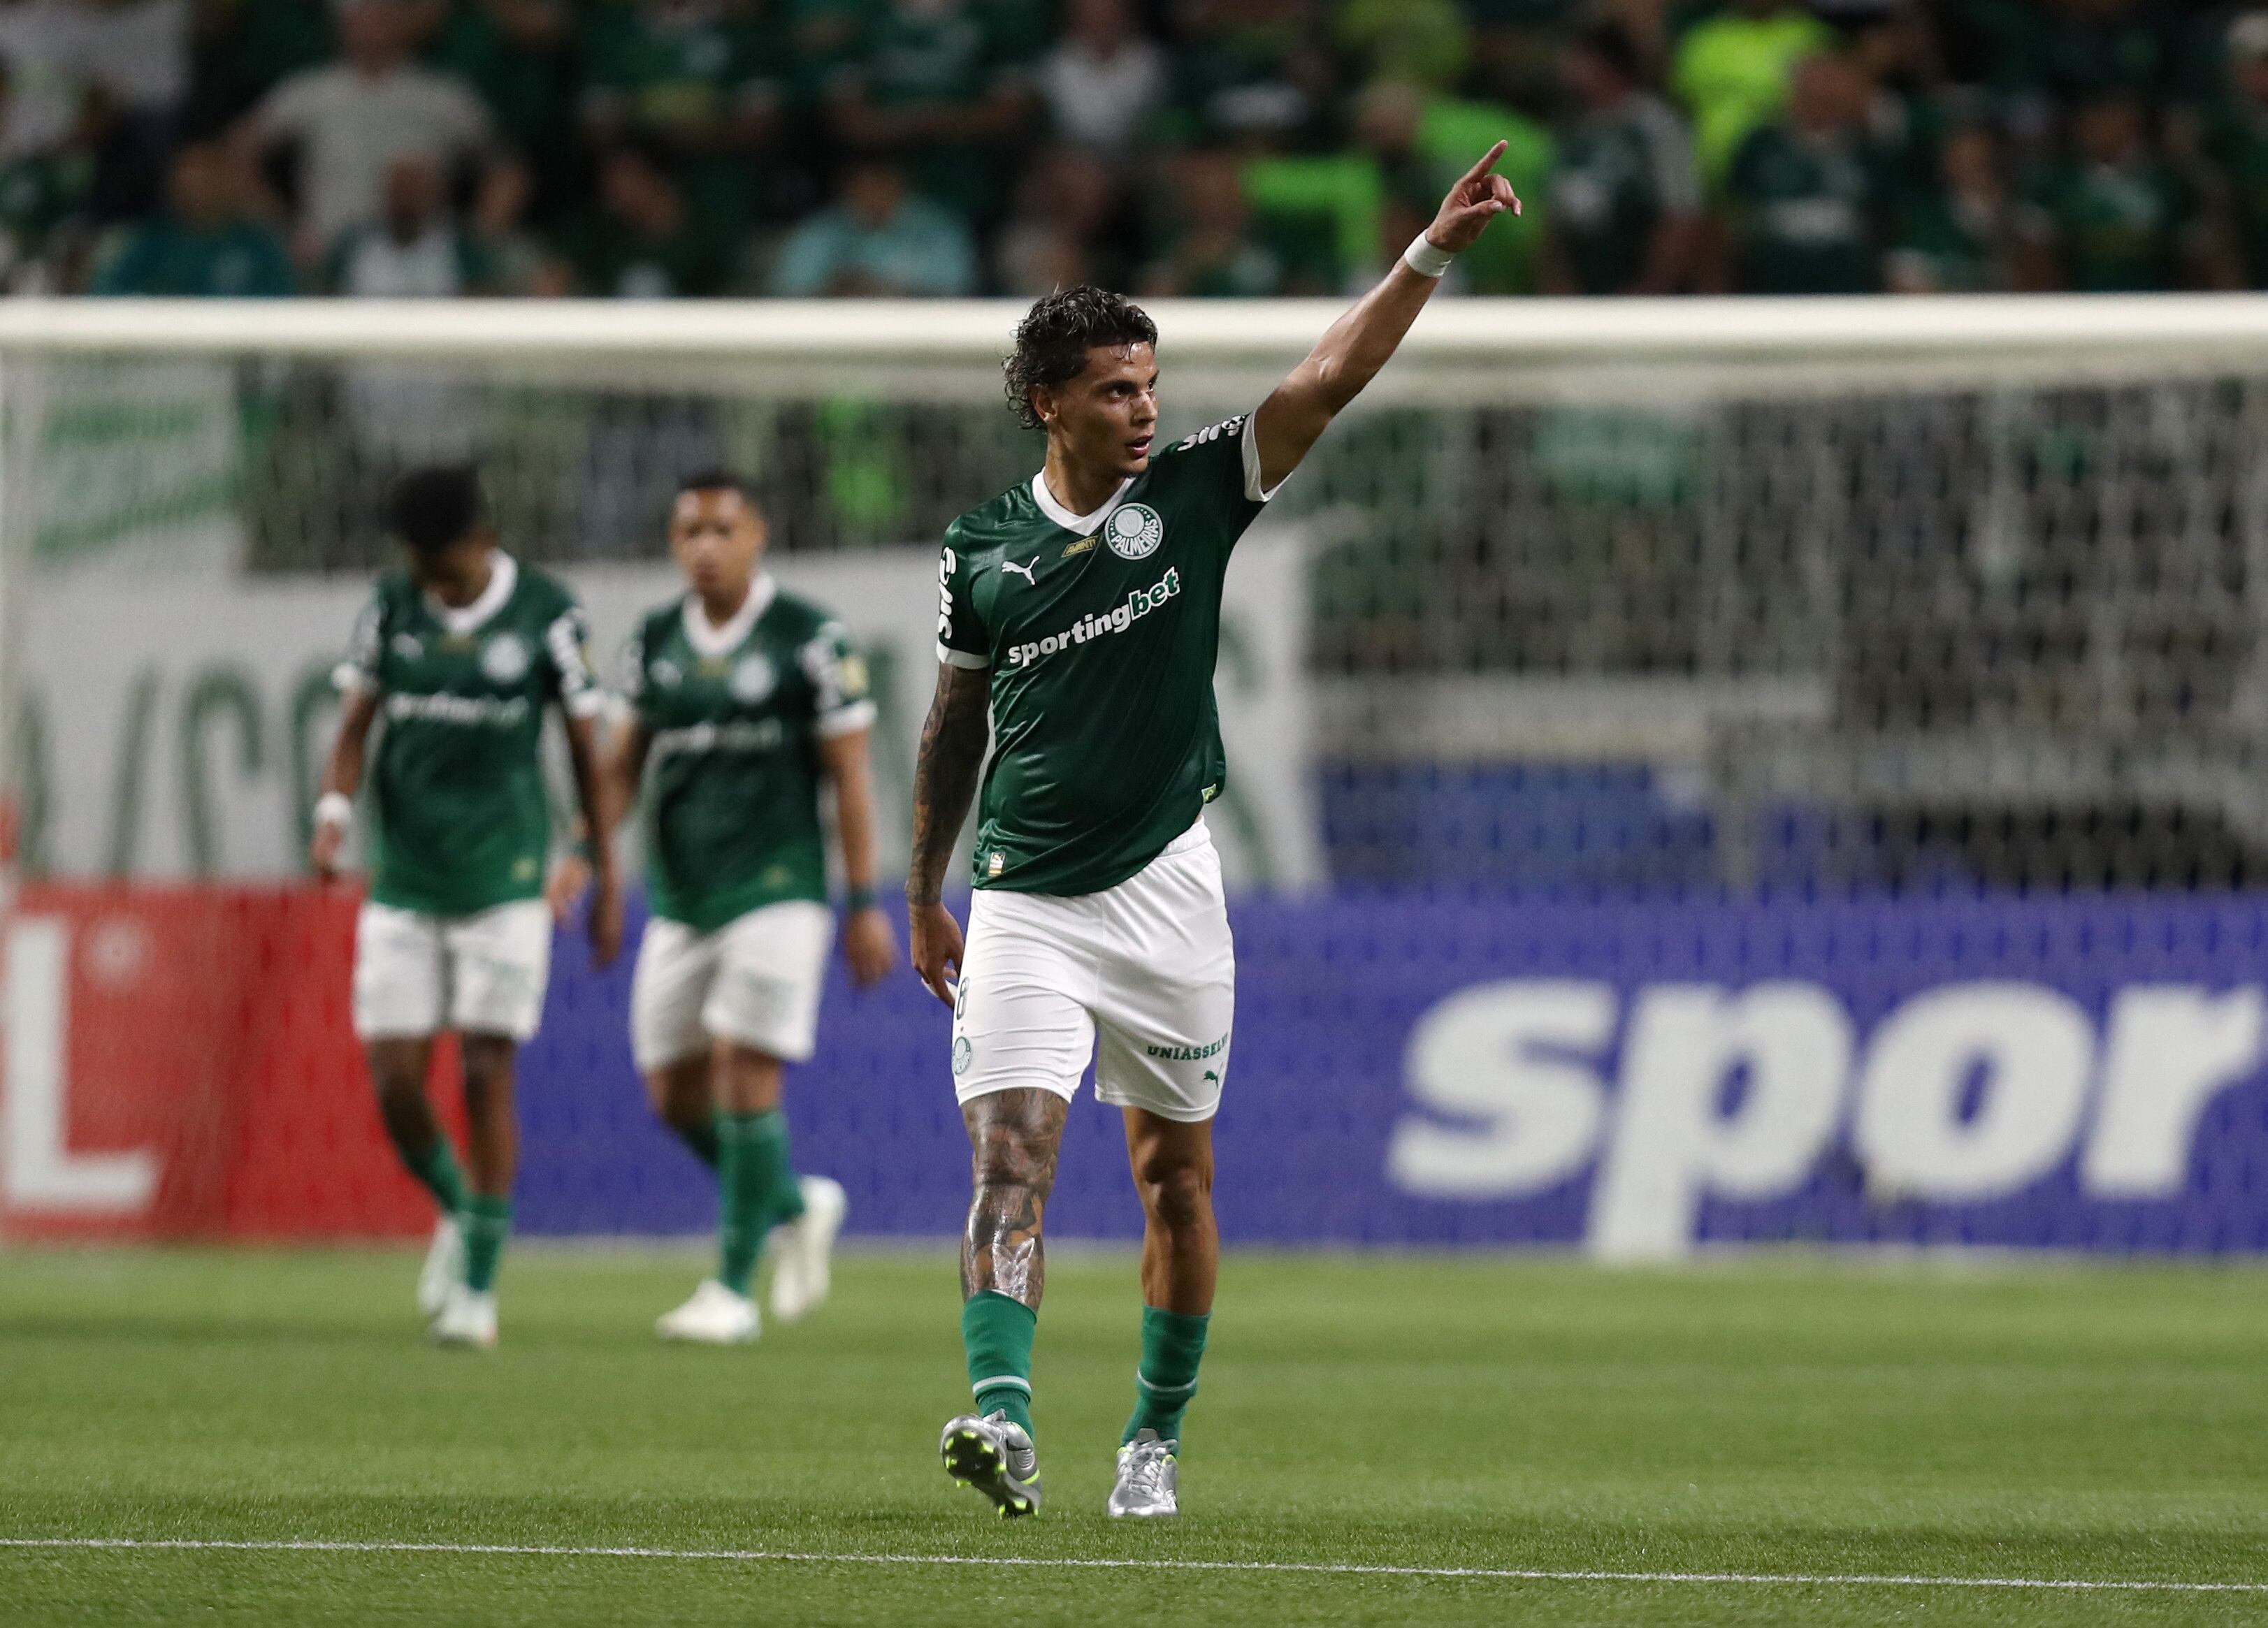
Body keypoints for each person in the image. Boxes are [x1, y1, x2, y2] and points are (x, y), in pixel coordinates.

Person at [907, 145, 1519, 1520]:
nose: (1141, 406)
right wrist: (922, 893)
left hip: (1167, 895)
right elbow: (952, 727)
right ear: (1044, 402)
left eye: (1149, 384)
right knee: (1009, 1156)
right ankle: (1000, 1419)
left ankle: (1152, 1438)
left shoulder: (1194, 492)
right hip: (1019, 902)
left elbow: (1320, 382)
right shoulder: (980, 551)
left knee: (1171, 1179)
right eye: (1113, 389)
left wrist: (1423, 254)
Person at [312, 463, 623, 1351]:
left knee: (487, 1070)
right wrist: (333, 813)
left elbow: (584, 751)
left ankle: (478, 1291)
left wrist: (594, 867)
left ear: (483, 542)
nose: (429, 580)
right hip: (405, 878)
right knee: (396, 1082)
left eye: (441, 562)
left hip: (506, 877)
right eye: (417, 562)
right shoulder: (391, 607)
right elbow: (352, 728)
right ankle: (462, 1210)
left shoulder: (546, 616)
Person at [610, 471, 897, 1344]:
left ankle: (730, 1289)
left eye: (721, 528)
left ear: (757, 534)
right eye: (688, 529)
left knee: (743, 1064)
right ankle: (791, 1201)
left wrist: (862, 901)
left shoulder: (807, 637)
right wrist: (586, 852)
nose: (704, 545)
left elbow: (849, 772)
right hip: (683, 895)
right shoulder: (655, 640)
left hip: (780, 889)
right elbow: (623, 761)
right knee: (670, 1093)